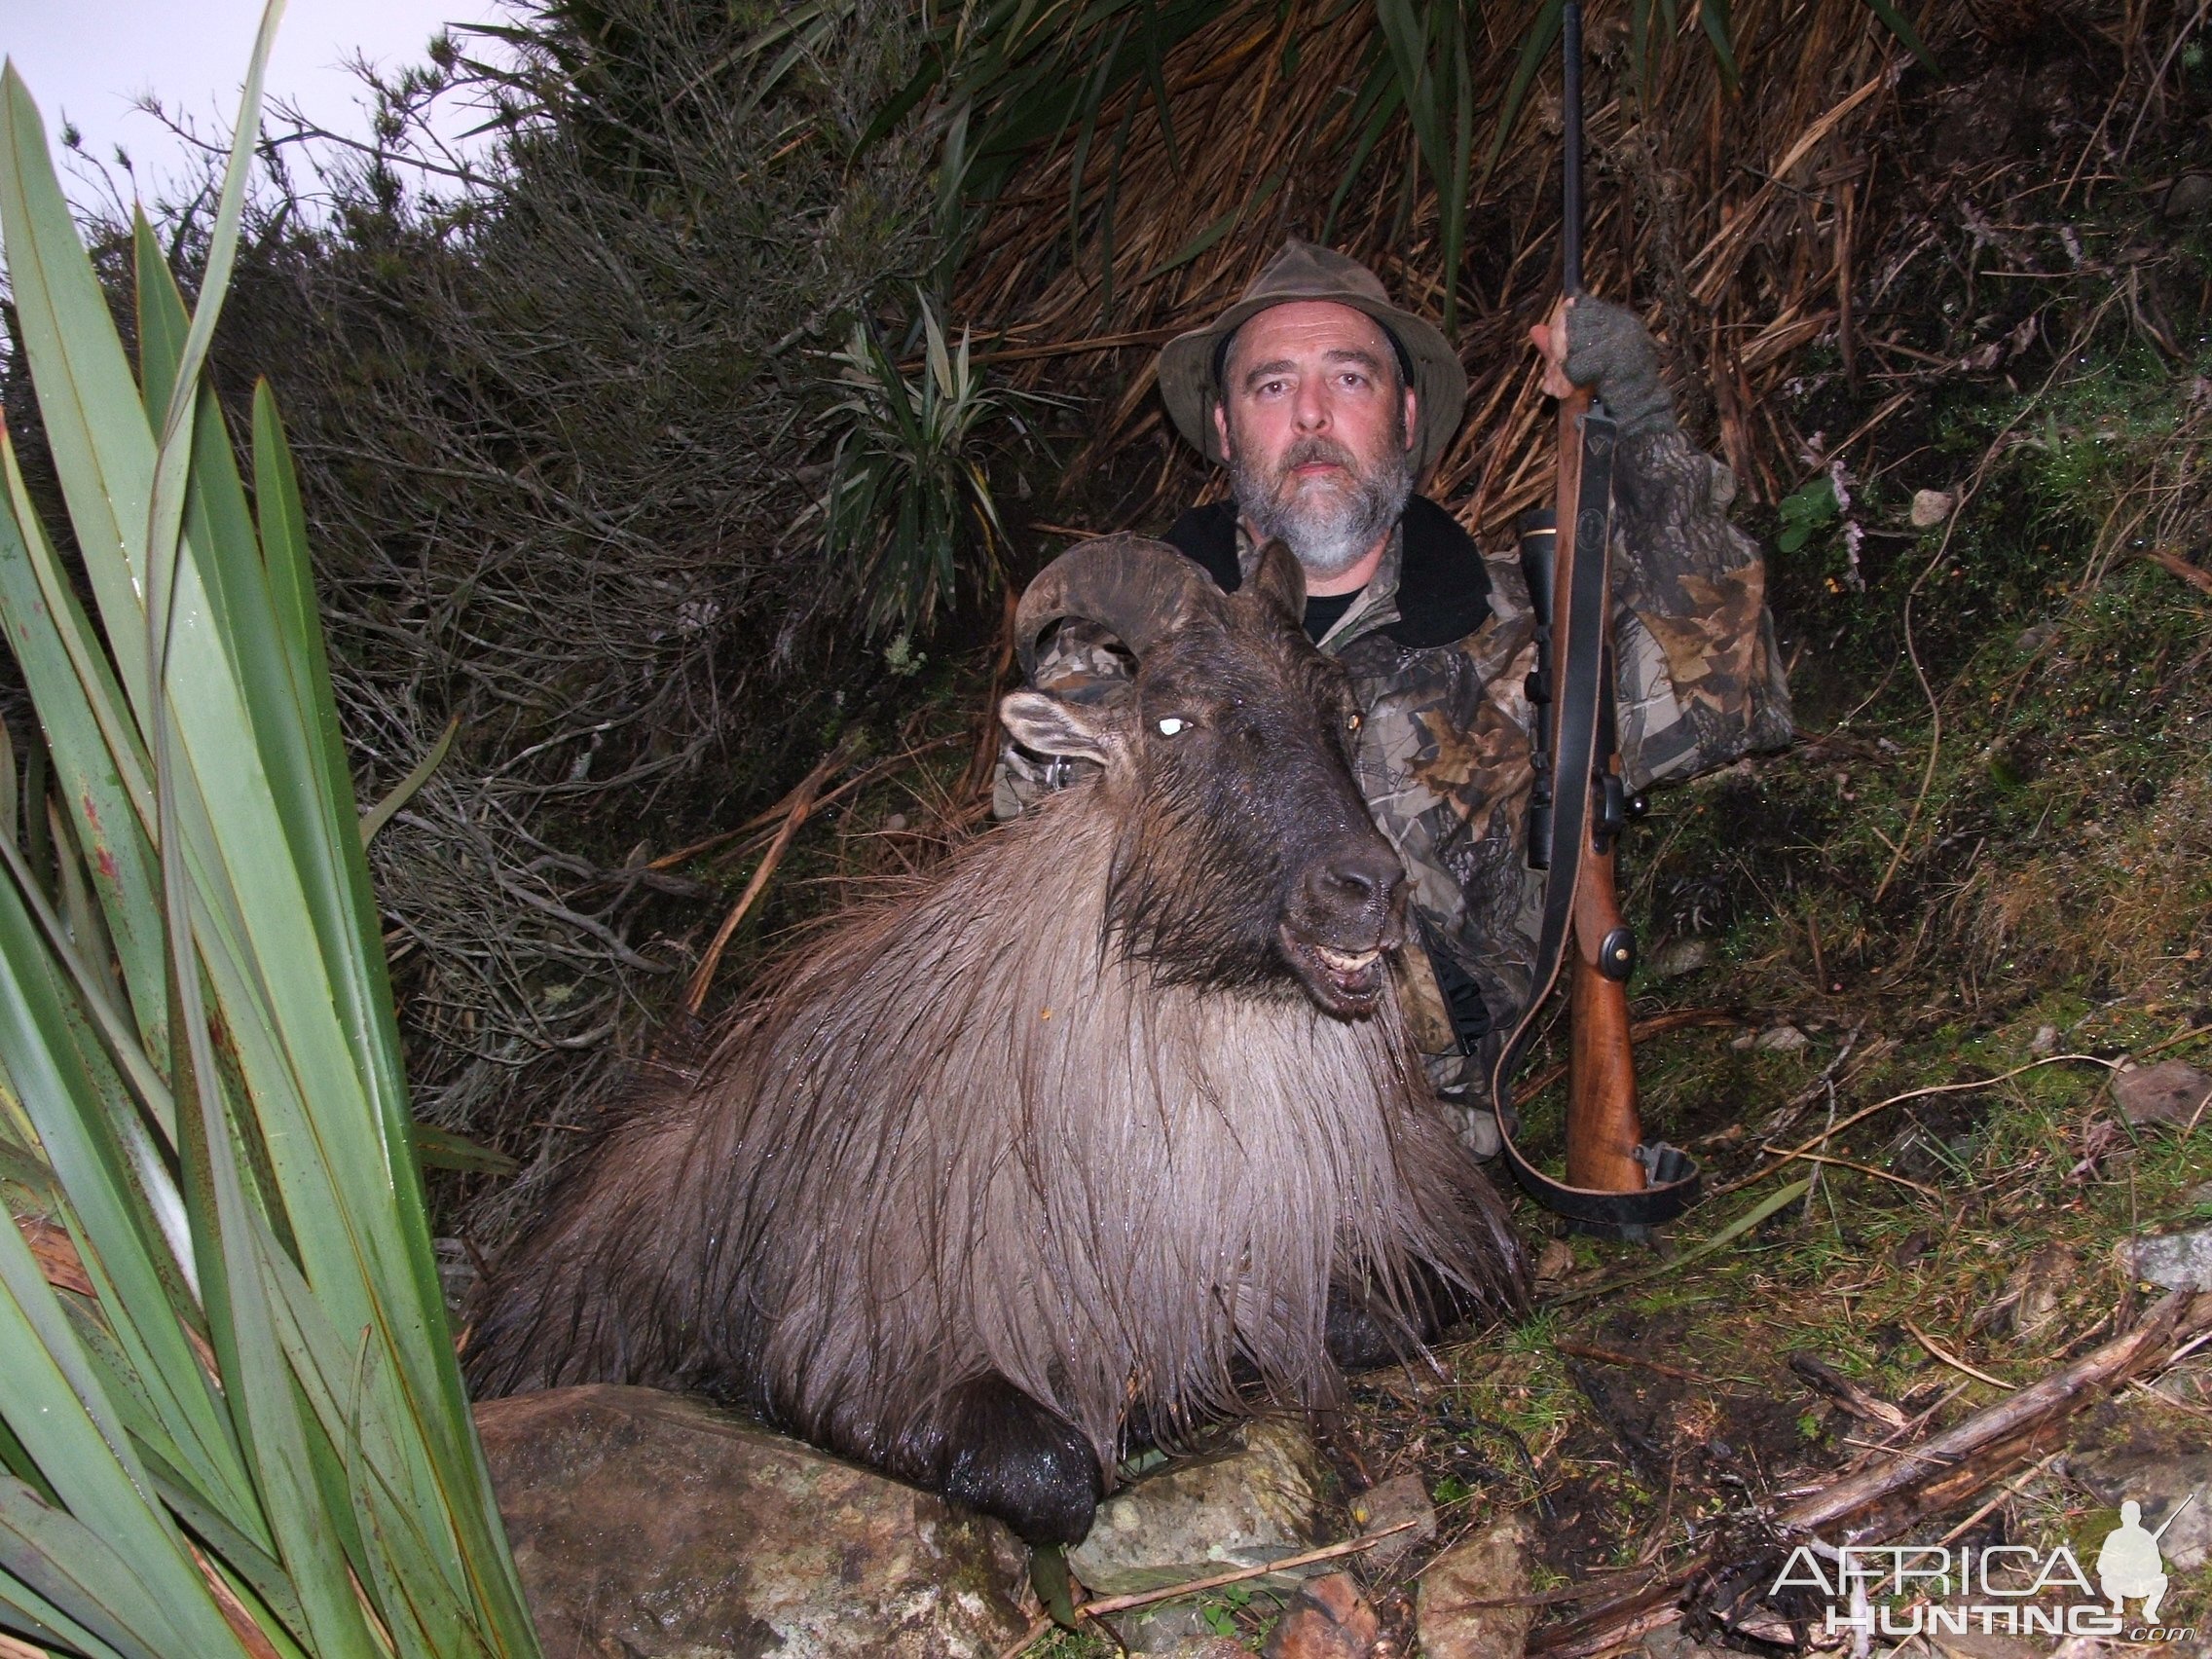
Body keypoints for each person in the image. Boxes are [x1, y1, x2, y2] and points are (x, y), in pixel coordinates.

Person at [996, 239, 1792, 1156]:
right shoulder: (1117, 641)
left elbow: (1724, 692)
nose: (1310, 417)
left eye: (1349, 378)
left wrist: (1645, 425)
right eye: (1270, 386)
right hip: (1169, 1127)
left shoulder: (1519, 631)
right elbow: (1042, 860)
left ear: (1406, 414)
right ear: (1222, 427)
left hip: (1419, 1147)